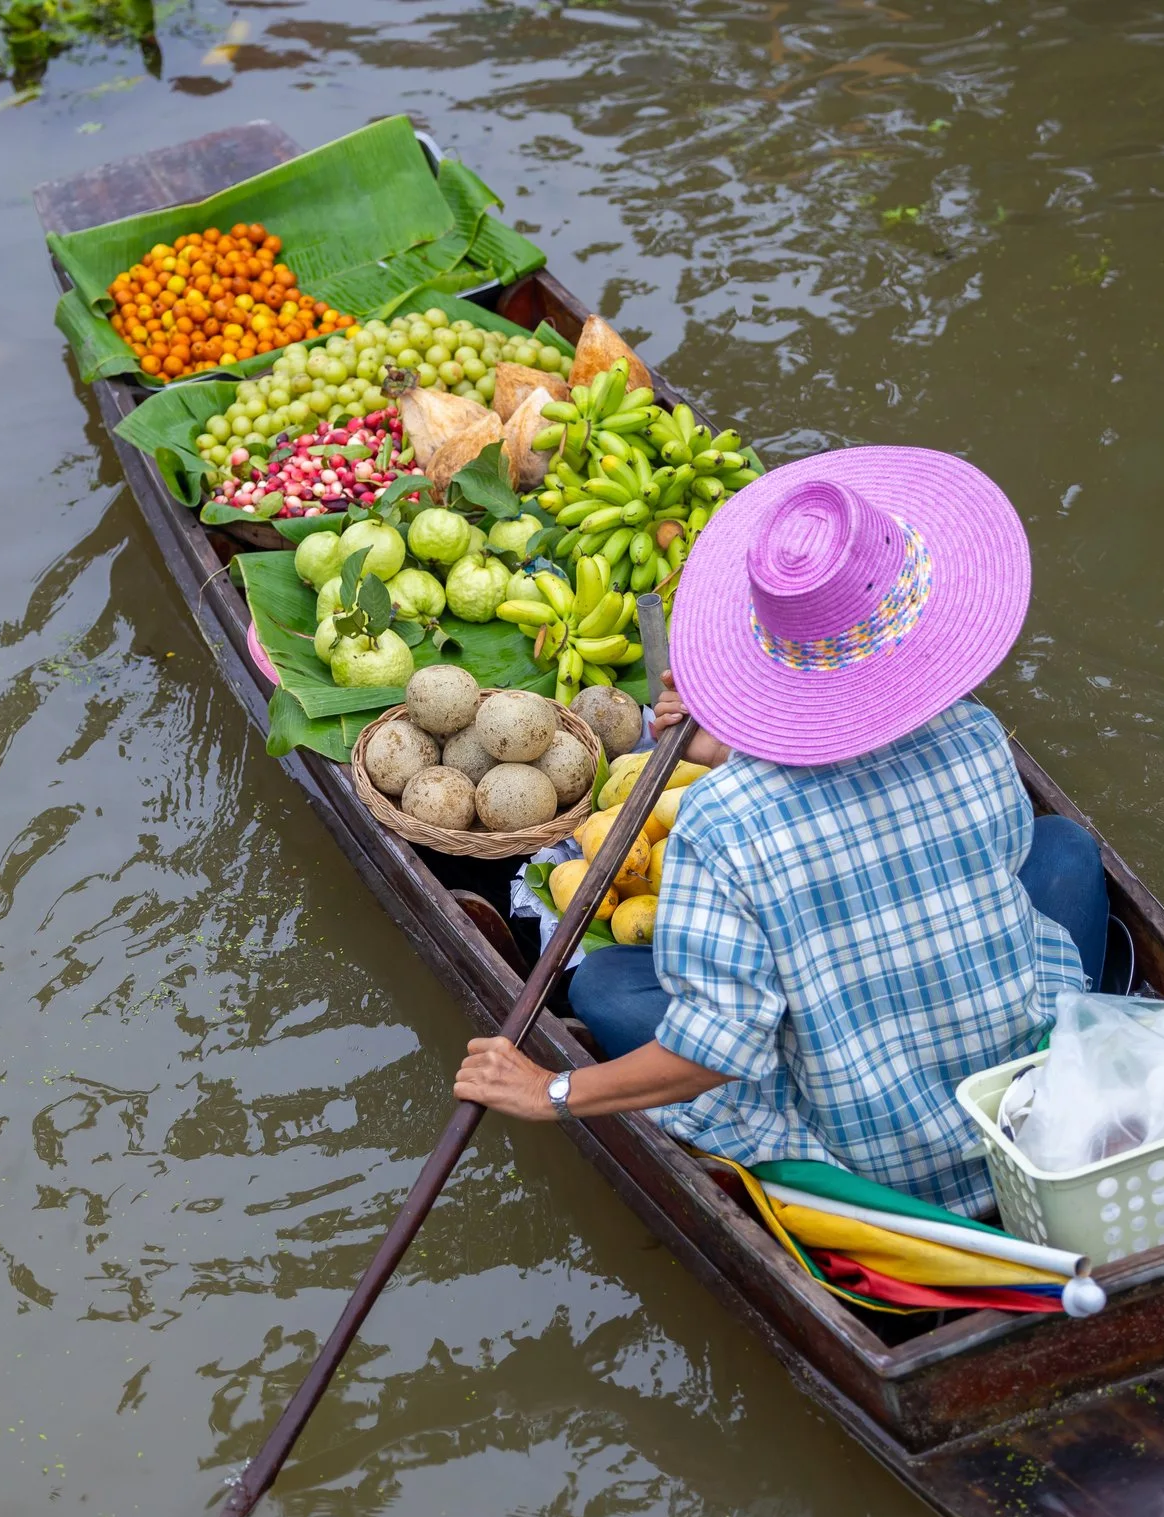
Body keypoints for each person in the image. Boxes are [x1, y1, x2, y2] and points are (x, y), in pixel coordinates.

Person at [454, 448, 1107, 1219]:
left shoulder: (723, 819)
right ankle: (1093, 1040)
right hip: (1025, 1106)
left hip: (884, 1166)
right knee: (1062, 844)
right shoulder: (974, 734)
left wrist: (548, 1090)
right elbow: (888, 817)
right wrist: (736, 745)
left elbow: (714, 1051)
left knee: (602, 984)